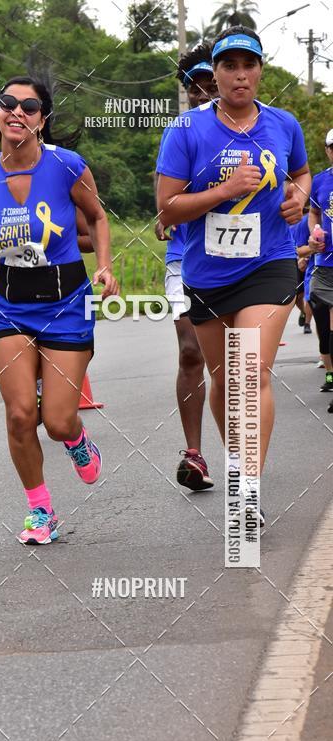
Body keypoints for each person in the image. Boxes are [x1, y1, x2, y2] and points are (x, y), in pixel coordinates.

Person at [156, 26, 311, 526]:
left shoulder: (284, 124)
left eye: (249, 65)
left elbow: (301, 173)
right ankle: (238, 468)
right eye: (229, 66)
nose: (239, 75)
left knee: (249, 372)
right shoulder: (185, 130)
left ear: (260, 70)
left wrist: (298, 197)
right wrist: (223, 192)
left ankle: (247, 490)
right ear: (216, 75)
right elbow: (168, 208)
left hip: (269, 263)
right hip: (207, 272)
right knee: (224, 382)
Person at [0, 76, 118, 544]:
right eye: (8, 103)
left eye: (29, 106)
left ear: (42, 120)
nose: (17, 112)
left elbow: (98, 217)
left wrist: (105, 267)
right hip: (9, 305)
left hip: (66, 302)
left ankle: (76, 439)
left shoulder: (67, 167)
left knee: (57, 420)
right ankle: (40, 510)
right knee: (20, 414)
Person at [155, 43, 219, 491]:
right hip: (186, 258)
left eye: (207, 83)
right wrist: (163, 217)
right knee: (190, 350)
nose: (200, 92)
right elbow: (167, 194)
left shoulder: (254, 127)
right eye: (192, 85)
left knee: (236, 364)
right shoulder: (179, 130)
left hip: (243, 263)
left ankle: (243, 459)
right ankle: (194, 454)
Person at [308, 129, 333, 410]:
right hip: (326, 262)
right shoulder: (320, 181)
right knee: (324, 327)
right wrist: (314, 232)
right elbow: (314, 212)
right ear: (327, 151)